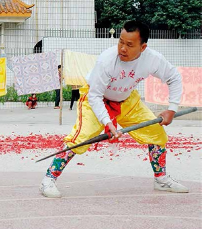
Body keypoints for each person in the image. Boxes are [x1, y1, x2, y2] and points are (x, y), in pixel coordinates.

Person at [39, 20, 188, 198]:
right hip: (96, 99)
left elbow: (174, 77)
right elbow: (94, 96)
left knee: (157, 133)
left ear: (143, 47)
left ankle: (161, 179)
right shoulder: (107, 60)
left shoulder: (153, 59)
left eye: (129, 44)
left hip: (127, 101)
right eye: (121, 42)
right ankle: (48, 179)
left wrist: (171, 109)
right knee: (79, 138)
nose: (122, 48)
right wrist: (107, 122)